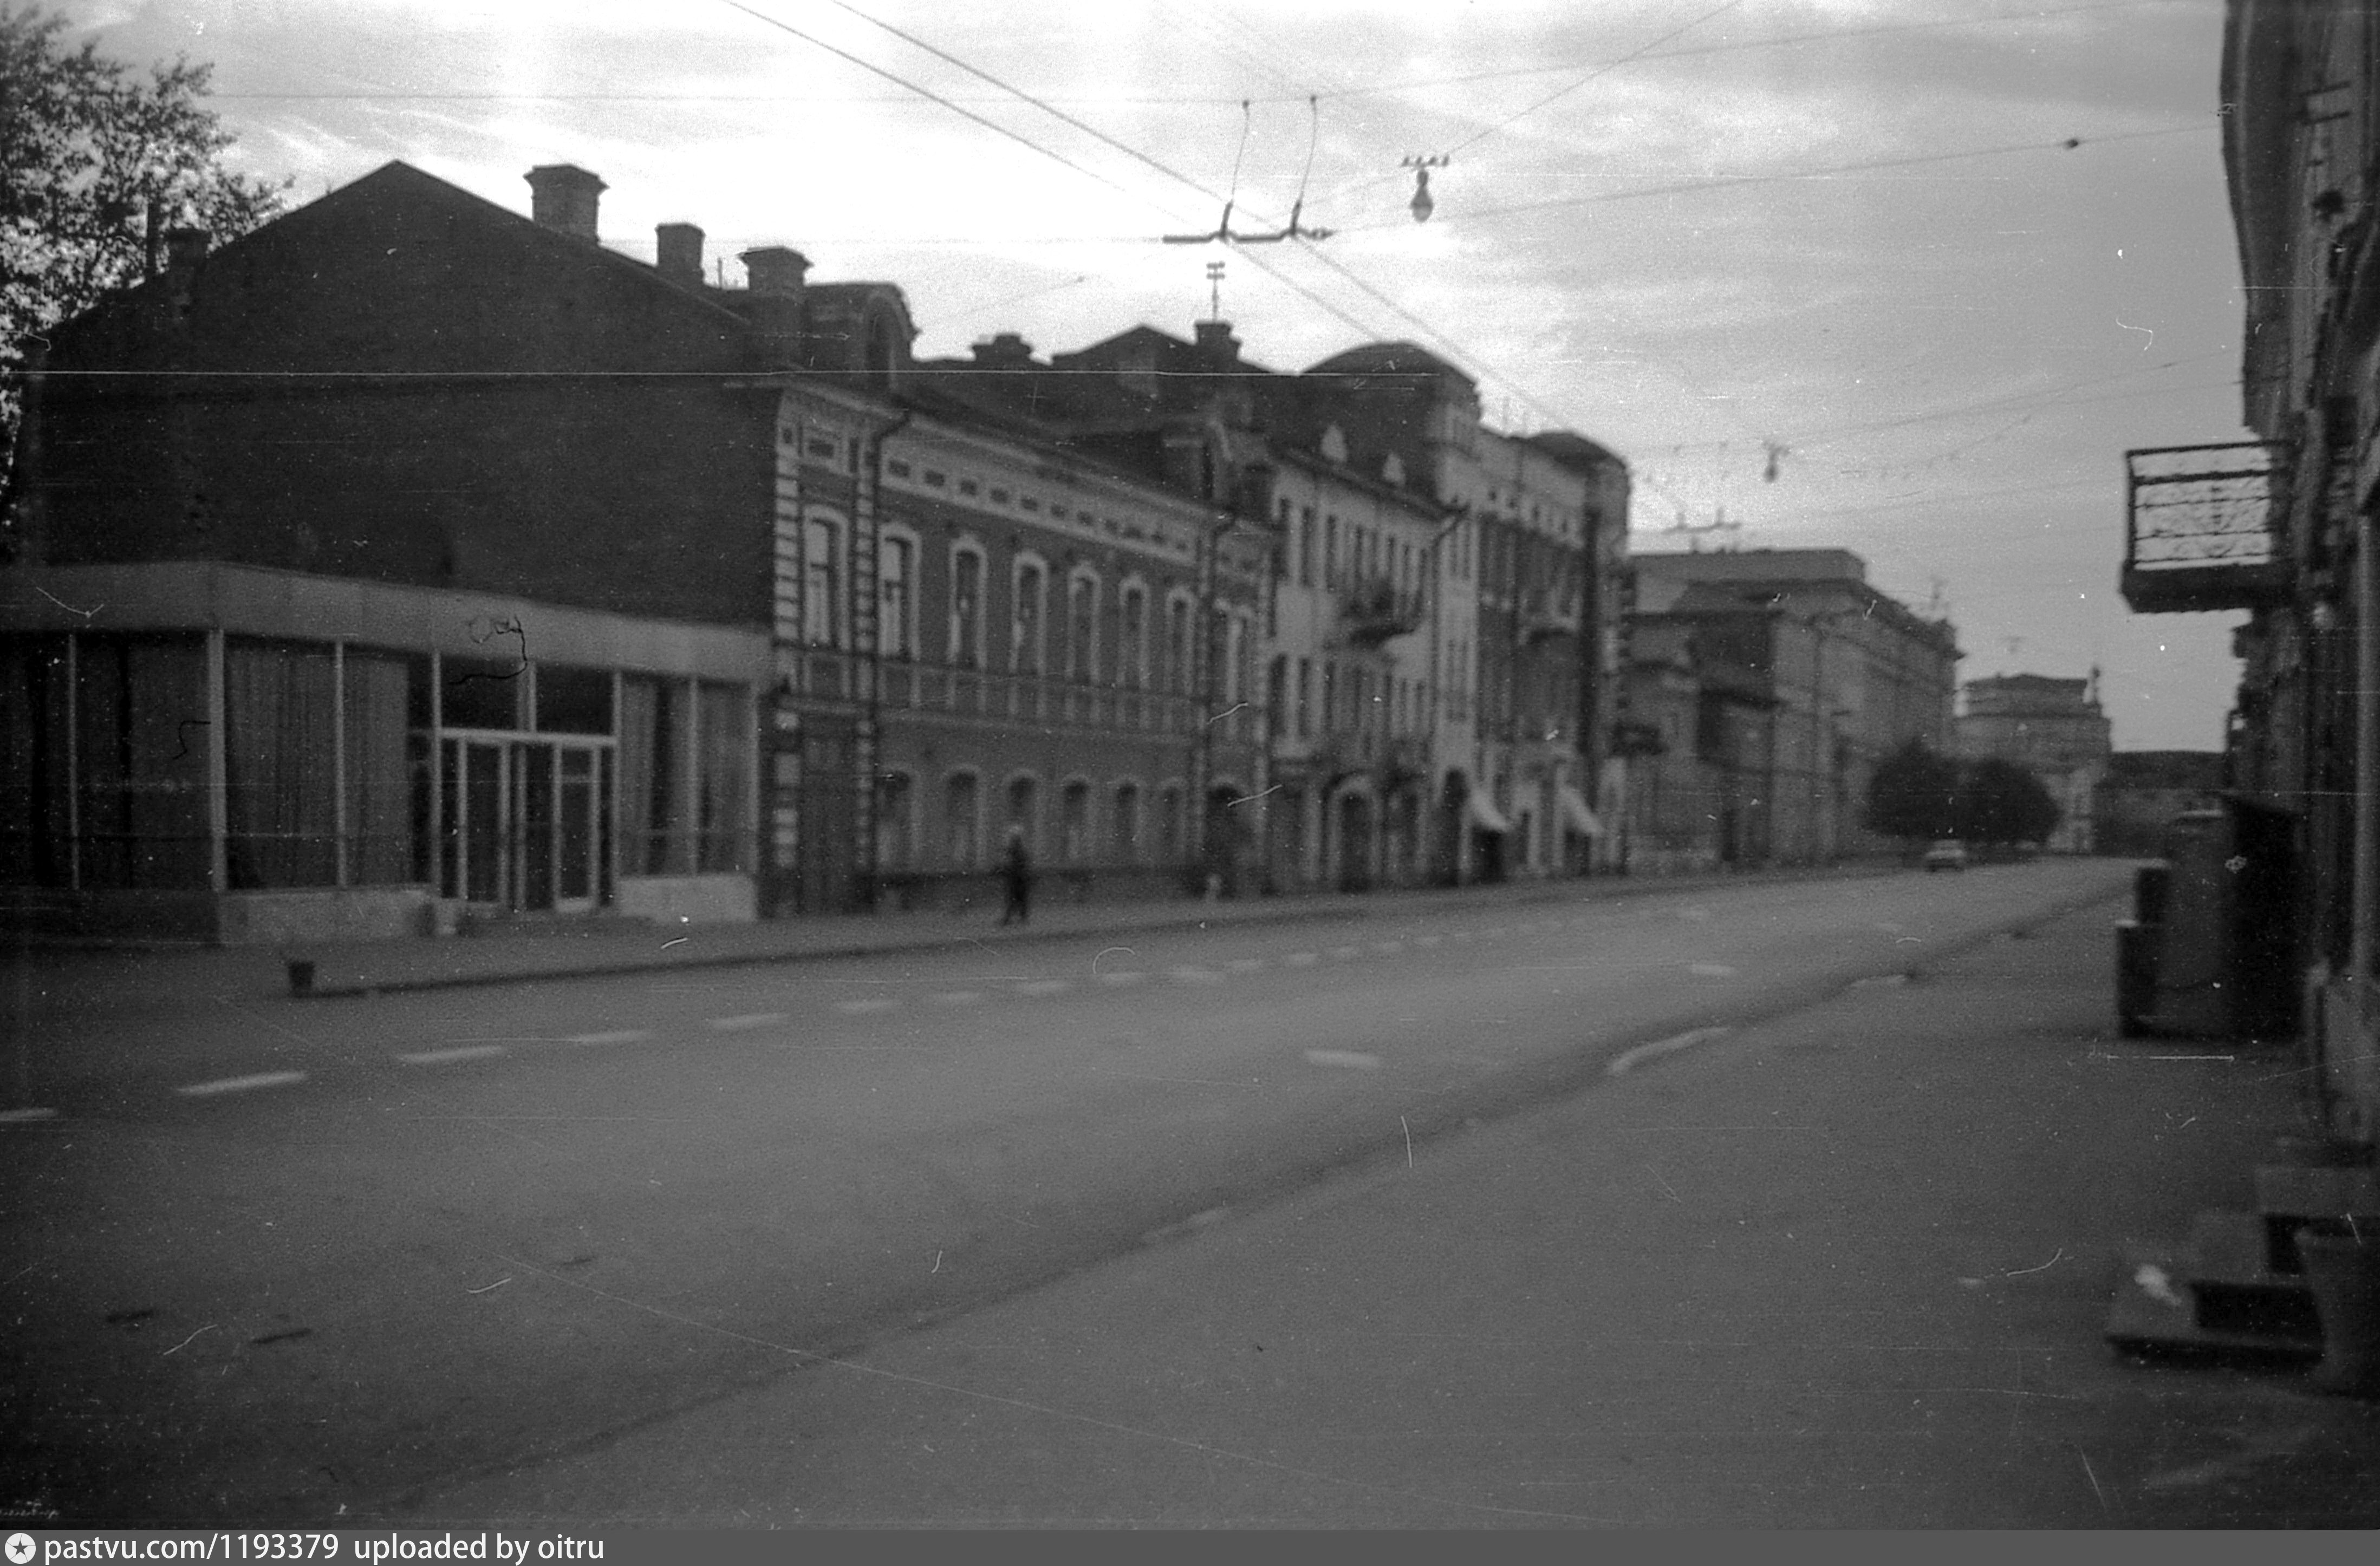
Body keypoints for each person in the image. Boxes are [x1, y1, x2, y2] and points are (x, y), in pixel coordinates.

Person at [999, 826, 1033, 926]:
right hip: (1018, 877)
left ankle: (1015, 918)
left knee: (1016, 898)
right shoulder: (1018, 850)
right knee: (1017, 899)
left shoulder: (1016, 851)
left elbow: (1014, 864)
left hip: (1018, 878)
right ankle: (1018, 918)